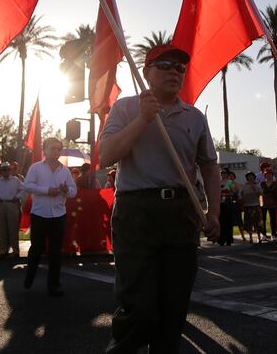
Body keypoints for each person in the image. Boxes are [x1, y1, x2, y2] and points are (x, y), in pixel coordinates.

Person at [99, 43, 221, 352]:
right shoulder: (126, 108)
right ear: (146, 72)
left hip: (181, 213)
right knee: (138, 308)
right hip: (136, 212)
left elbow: (209, 167)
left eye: (180, 67)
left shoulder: (194, 116)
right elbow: (106, 155)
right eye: (165, 65)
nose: (174, 72)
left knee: (173, 310)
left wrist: (213, 212)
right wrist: (143, 118)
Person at [21, 137, 77, 295]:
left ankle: (54, 285)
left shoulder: (65, 171)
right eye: (53, 148)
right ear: (44, 150)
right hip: (39, 214)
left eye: (59, 149)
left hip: (59, 215)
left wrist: (66, 190)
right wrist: (47, 190)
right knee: (37, 248)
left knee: (55, 251)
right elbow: (27, 186)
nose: (56, 152)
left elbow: (73, 191)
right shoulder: (36, 167)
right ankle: (30, 276)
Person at [0, 161, 23, 258]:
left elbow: (23, 189)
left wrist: (17, 197)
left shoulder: (16, 180)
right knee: (2, 229)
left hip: (12, 204)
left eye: (8, 169)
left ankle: (15, 250)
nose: (6, 171)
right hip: (1, 205)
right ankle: (3, 250)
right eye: (4, 170)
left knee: (13, 229)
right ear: (1, 171)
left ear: (10, 170)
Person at [240, 172, 264, 243]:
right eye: (249, 176)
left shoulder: (257, 185)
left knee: (257, 222)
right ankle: (250, 238)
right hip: (247, 206)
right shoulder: (244, 186)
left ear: (254, 177)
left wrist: (254, 188)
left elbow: (261, 193)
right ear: (247, 178)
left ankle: (259, 237)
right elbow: (240, 194)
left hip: (256, 206)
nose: (250, 177)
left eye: (252, 176)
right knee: (249, 223)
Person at [260, 168, 277, 238]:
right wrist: (260, 203)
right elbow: (260, 194)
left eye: (270, 174)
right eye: (267, 174)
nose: (268, 176)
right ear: (265, 176)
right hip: (263, 204)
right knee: (263, 219)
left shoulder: (275, 184)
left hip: (273, 203)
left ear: (272, 175)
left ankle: (273, 233)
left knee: (273, 219)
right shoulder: (262, 184)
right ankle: (263, 234)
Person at [218, 168, 236, 246]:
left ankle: (229, 240)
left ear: (227, 174)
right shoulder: (218, 181)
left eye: (224, 173)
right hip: (220, 203)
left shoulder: (229, 182)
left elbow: (234, 192)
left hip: (228, 203)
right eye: (221, 173)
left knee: (228, 222)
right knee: (221, 222)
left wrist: (227, 193)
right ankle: (221, 240)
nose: (223, 174)